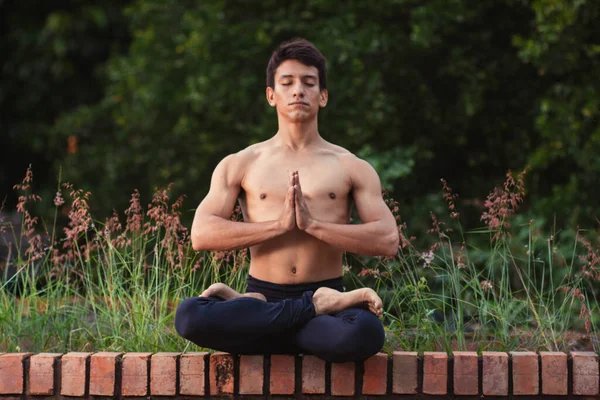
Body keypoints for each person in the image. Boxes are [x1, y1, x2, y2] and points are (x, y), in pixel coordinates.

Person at [175, 38, 399, 363]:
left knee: (364, 334)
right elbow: (202, 234)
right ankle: (307, 310)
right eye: (287, 83)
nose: (298, 91)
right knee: (189, 315)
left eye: (309, 83)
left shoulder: (351, 166)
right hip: (272, 296)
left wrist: (313, 225)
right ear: (271, 95)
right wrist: (278, 226)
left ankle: (273, 316)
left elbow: (388, 238)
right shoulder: (241, 163)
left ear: (322, 96)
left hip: (313, 301)